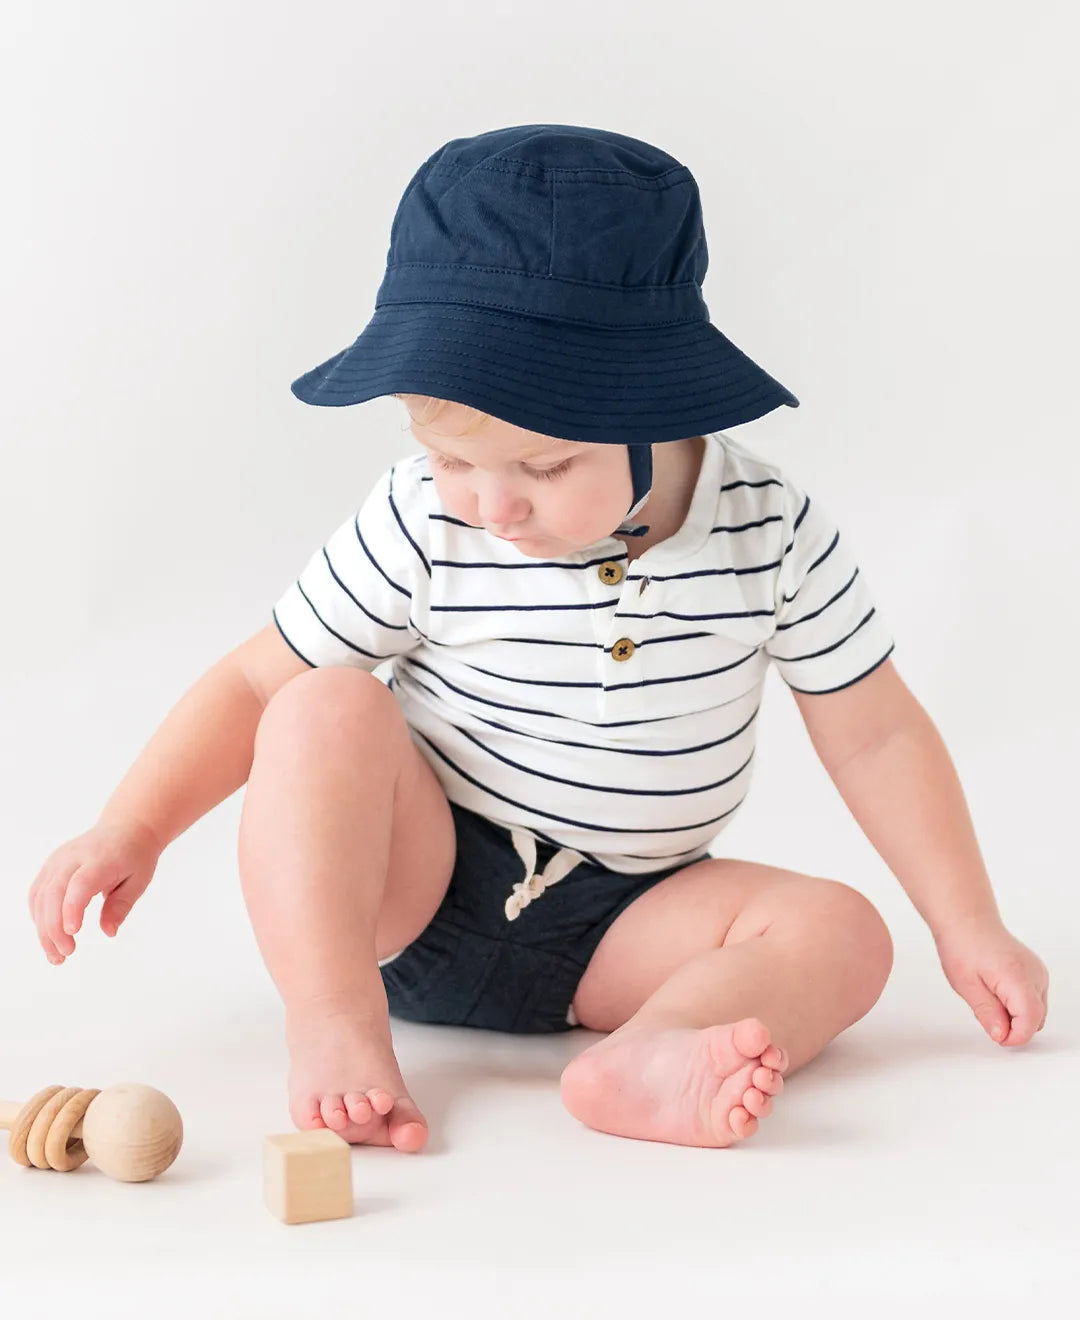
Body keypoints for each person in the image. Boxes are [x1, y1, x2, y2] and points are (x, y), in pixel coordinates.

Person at [27, 125, 1049, 1154]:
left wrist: (967, 925)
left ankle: (649, 1054)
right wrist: (134, 828)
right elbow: (255, 684)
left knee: (845, 932)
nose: (495, 506)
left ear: (664, 404)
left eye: (548, 468)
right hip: (411, 889)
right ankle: (335, 1027)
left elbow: (875, 735)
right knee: (320, 703)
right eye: (453, 458)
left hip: (628, 922)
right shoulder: (425, 512)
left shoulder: (768, 527)